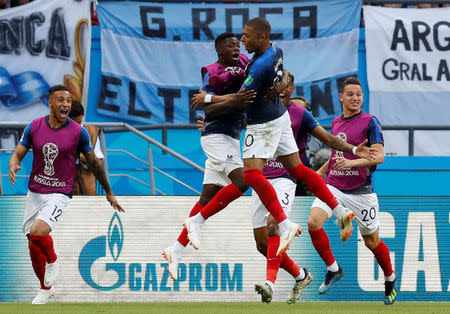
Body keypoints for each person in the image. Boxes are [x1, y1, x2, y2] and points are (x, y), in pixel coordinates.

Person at [185, 18, 376, 271]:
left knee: (250, 176)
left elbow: (241, 99)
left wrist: (208, 99)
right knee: (298, 169)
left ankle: (280, 223)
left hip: (263, 125)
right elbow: (271, 80)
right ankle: (339, 210)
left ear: (261, 38)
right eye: (240, 37)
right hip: (280, 118)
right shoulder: (276, 51)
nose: (243, 41)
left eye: (246, 36)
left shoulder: (258, 66)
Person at [8, 85, 124, 305]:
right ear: (50, 103)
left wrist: (108, 191)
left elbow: (93, 162)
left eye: (68, 101)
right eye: (61, 100)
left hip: (61, 191)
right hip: (35, 191)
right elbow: (18, 153)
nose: (66, 105)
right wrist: (13, 165)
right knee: (33, 243)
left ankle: (53, 260)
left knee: (38, 233)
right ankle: (45, 288)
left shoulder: (78, 132)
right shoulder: (34, 127)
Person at [162, 32, 255, 281]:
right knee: (244, 181)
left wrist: (237, 107)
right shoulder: (212, 71)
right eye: (230, 45)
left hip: (231, 137)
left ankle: (176, 250)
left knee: (207, 196)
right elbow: (206, 106)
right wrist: (233, 101)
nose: (237, 48)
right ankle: (197, 222)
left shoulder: (246, 65)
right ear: (220, 51)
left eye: (238, 44)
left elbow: (235, 104)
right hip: (216, 138)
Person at [308, 77, 397, 305]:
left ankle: (390, 277)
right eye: (350, 94)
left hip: (361, 192)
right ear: (341, 97)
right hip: (334, 186)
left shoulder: (370, 122)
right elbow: (336, 155)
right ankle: (333, 269)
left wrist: (351, 163)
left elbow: (379, 156)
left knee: (372, 242)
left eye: (359, 94)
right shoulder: (337, 121)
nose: (355, 98)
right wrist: (318, 172)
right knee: (313, 223)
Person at [68, 100, 104, 195]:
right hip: (63, 187)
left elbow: (99, 163)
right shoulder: (58, 131)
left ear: (83, 116)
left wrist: (84, 158)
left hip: (86, 188)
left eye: (79, 122)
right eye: (74, 124)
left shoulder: (92, 132)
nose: (77, 127)